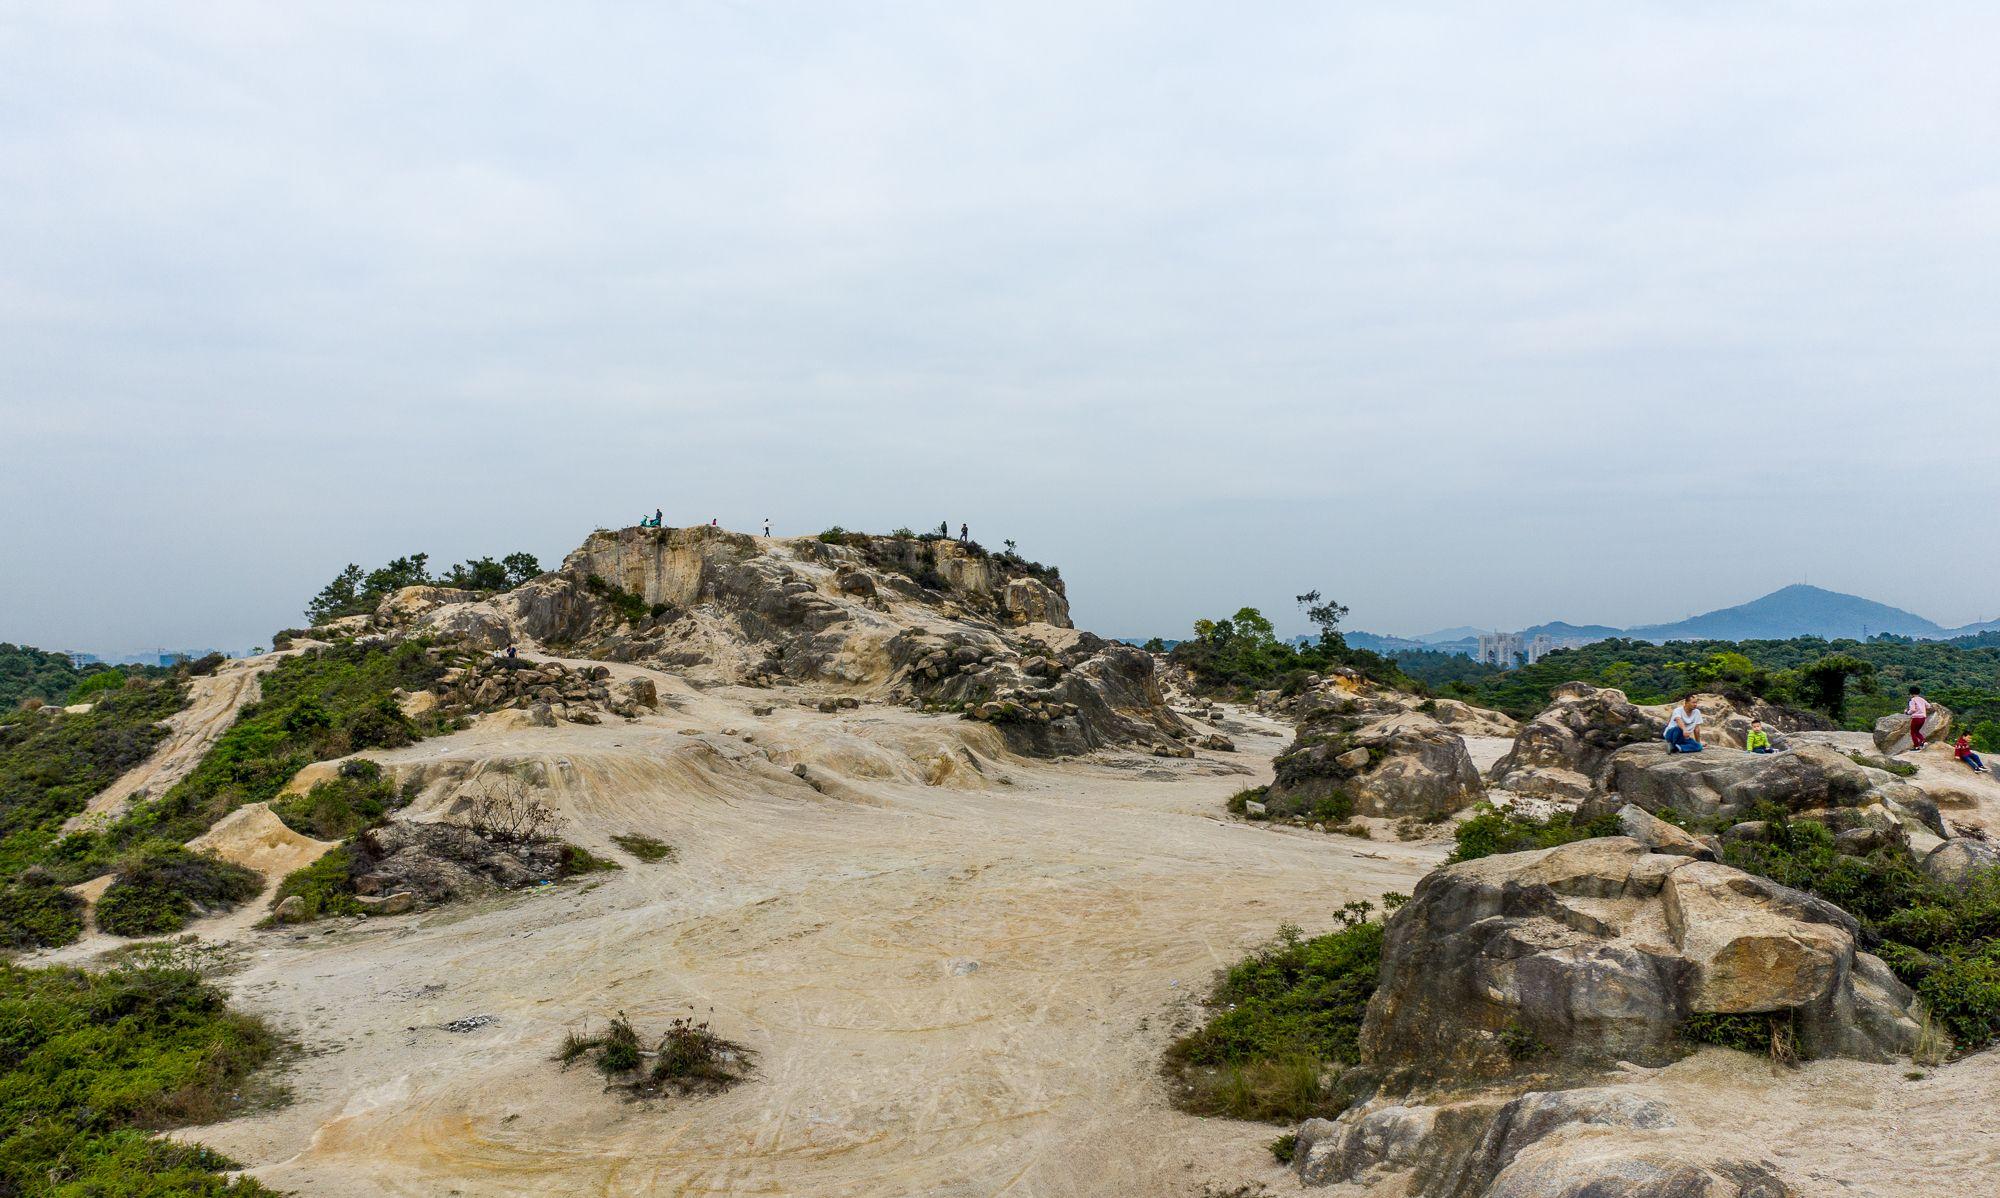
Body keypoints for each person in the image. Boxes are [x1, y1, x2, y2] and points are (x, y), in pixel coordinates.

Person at [1907, 686, 1931, 751]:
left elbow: (1912, 710)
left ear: (1911, 693)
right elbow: (1928, 706)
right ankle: (1923, 741)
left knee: (1913, 732)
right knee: (1917, 731)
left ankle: (1916, 746)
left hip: (1916, 718)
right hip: (1923, 718)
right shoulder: (1922, 699)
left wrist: (1907, 712)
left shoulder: (1912, 700)